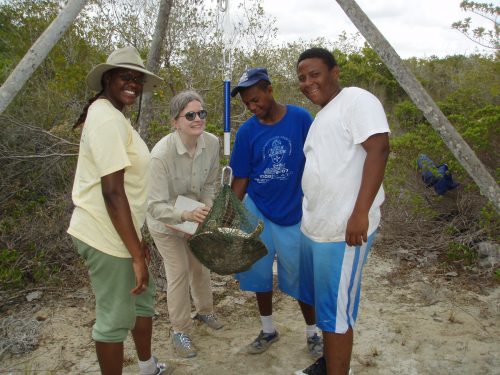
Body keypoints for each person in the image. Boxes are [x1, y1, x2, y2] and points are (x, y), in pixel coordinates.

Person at [68, 46, 171, 375]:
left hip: (122, 233)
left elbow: (126, 189)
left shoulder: (114, 116)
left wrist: (137, 242)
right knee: (113, 319)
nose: (133, 84)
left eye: (138, 79)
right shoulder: (106, 118)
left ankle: (147, 367)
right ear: (108, 78)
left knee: (143, 299)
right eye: (126, 77)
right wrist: (136, 255)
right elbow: (112, 192)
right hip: (104, 234)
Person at [294, 47, 390, 375]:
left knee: (336, 312)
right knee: (324, 303)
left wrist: (360, 212)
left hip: (344, 231)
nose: (308, 83)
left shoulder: (356, 100)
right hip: (317, 229)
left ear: (335, 72)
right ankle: (329, 363)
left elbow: (379, 148)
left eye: (315, 74)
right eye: (302, 78)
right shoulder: (323, 116)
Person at [229, 68, 323, 357]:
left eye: (256, 99)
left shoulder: (300, 119)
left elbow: (318, 162)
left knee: (300, 275)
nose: (253, 107)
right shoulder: (247, 131)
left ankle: (313, 333)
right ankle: (268, 329)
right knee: (258, 271)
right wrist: (229, 216)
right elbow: (241, 177)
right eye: (247, 104)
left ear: (269, 90)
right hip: (257, 208)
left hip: (294, 209)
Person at [146, 90, 222, 359]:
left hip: (194, 215)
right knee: (178, 271)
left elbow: (210, 183)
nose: (198, 119)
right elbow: (154, 205)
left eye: (201, 113)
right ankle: (180, 330)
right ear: (175, 122)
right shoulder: (160, 155)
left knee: (199, 265)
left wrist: (207, 206)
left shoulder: (212, 144)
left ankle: (205, 312)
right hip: (165, 223)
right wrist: (183, 217)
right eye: (190, 115)